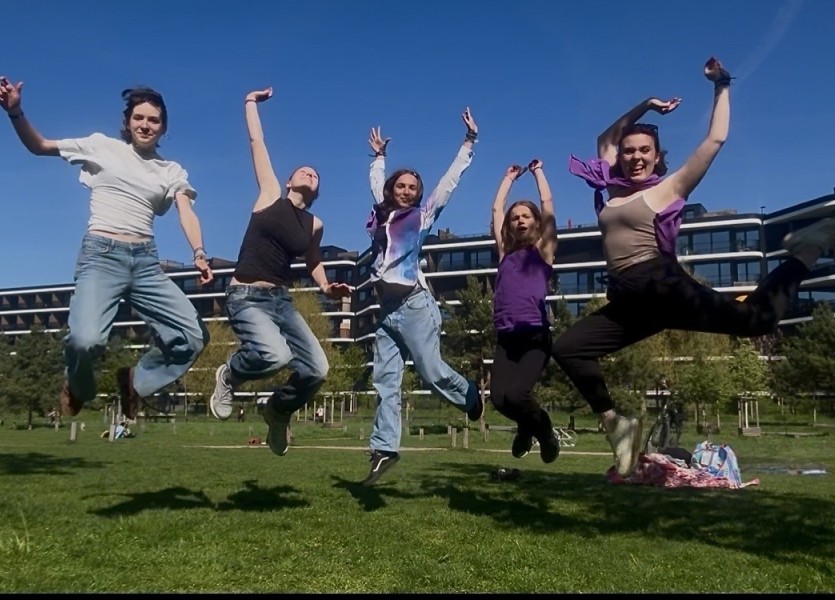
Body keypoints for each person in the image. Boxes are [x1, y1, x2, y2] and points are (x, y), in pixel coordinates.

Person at [553, 57, 835, 477]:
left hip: (661, 287)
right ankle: (617, 426)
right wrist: (646, 104)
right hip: (629, 301)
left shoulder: (668, 188)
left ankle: (805, 252)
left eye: (645, 151)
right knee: (568, 348)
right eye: (630, 150)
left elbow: (715, 139)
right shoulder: (610, 188)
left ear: (657, 157)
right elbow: (606, 137)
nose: (635, 157)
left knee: (754, 321)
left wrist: (721, 85)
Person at [0, 77, 212, 421]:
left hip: (145, 263)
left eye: (154, 120)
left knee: (193, 337)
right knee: (85, 341)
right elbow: (39, 146)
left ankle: (136, 381)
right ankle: (77, 386)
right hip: (101, 257)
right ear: (127, 122)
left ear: (163, 127)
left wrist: (199, 252)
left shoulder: (171, 170)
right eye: (139, 118)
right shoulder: (101, 146)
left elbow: (185, 211)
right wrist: (15, 112)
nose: (145, 125)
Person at [208, 87, 350, 457]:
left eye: (315, 174)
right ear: (289, 182)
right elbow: (257, 142)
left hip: (281, 301)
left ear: (317, 191)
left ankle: (277, 410)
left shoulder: (315, 224)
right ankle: (230, 373)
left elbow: (313, 259)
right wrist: (250, 102)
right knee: (275, 355)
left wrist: (326, 287)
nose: (310, 173)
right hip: (245, 296)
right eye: (304, 170)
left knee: (317, 368)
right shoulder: (270, 193)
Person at [361, 108, 484, 486]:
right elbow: (376, 181)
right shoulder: (382, 215)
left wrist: (468, 142)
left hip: (415, 306)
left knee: (431, 373)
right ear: (392, 190)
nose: (406, 191)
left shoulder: (423, 216)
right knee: (385, 382)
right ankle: (384, 448)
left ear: (418, 194)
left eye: (413, 187)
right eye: (401, 186)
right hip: (387, 311)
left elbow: (448, 183)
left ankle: (469, 394)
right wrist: (379, 156)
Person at [489, 159, 560, 463]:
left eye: (526, 216)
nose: (519, 220)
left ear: (536, 222)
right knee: (499, 398)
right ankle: (526, 427)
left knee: (517, 395)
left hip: (534, 337)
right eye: (515, 217)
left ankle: (543, 432)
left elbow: (548, 204)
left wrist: (538, 172)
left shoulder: (543, 250)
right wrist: (508, 179)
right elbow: (497, 209)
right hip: (507, 339)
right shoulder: (505, 252)